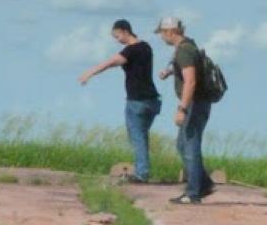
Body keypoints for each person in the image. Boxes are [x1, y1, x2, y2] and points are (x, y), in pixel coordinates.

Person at [77, 19, 160, 185]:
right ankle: (142, 169)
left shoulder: (131, 50)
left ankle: (142, 173)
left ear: (125, 31)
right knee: (141, 136)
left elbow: (111, 62)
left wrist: (90, 72)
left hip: (137, 101)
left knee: (137, 137)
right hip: (153, 100)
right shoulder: (146, 47)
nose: (117, 40)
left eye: (117, 36)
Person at [154, 15, 215, 204]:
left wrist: (182, 108)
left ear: (171, 31)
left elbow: (191, 81)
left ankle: (193, 192)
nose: (161, 37)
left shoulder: (184, 51)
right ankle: (203, 184)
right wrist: (170, 71)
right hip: (198, 103)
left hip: (194, 104)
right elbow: (189, 69)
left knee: (189, 145)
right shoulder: (188, 46)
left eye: (162, 33)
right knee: (183, 144)